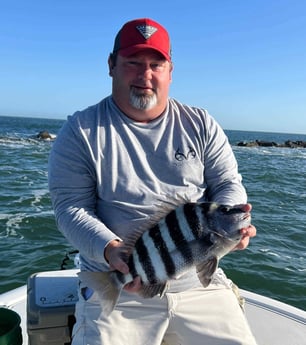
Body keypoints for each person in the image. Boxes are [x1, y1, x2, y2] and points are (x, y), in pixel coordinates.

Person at [48, 18, 257, 345]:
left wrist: (234, 225)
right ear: (111, 65)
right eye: (133, 63)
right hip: (122, 282)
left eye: (156, 64)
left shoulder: (201, 124)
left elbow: (228, 183)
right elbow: (71, 208)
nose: (145, 75)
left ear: (170, 71)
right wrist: (112, 251)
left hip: (199, 285)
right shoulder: (80, 131)